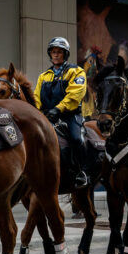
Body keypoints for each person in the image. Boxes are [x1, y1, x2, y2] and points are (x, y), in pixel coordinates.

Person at [34, 37, 89, 189]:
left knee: (76, 139)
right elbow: (36, 97)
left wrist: (58, 109)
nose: (56, 55)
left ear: (65, 54)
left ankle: (82, 172)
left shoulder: (76, 71)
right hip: (47, 116)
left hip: (70, 115)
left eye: (59, 52)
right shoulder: (43, 76)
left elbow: (75, 94)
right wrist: (35, 111)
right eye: (53, 52)